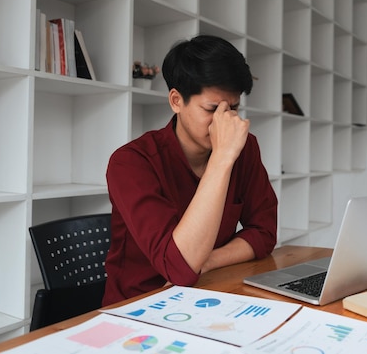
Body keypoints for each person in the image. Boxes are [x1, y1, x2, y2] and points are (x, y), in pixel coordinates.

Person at [103, 35, 278, 305]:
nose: (225, 120)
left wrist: (209, 260)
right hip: (140, 306)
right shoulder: (131, 163)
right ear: (176, 101)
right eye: (212, 109)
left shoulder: (244, 148)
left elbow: (265, 232)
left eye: (233, 108)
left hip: (214, 292)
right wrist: (222, 158)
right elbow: (179, 268)